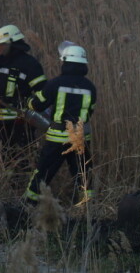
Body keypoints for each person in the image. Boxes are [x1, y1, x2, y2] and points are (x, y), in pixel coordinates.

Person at [24, 43, 96, 205]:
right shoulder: (90, 87)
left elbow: (37, 105)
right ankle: (87, 207)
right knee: (83, 173)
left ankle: (29, 205)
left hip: (57, 138)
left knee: (43, 172)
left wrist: (27, 102)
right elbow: (90, 111)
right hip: (80, 137)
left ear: (65, 62)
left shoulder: (56, 83)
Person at [0, 24, 47, 168]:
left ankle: (26, 179)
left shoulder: (30, 64)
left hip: (21, 119)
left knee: (24, 156)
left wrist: (22, 102)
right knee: (6, 155)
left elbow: (42, 93)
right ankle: (10, 180)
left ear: (13, 43)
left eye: (3, 45)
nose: (0, 49)